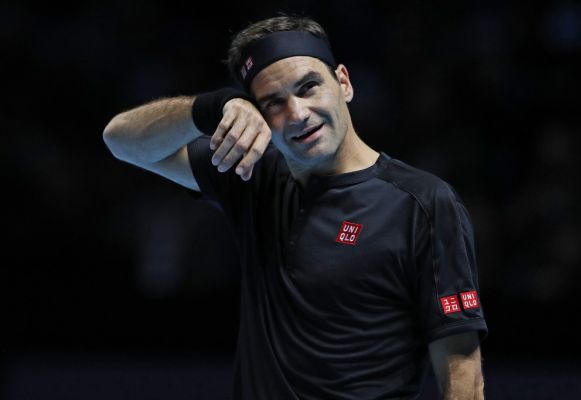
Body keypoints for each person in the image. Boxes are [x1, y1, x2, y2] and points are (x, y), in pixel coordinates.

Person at [103, 15, 488, 400]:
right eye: (274, 103)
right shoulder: (249, 174)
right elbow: (120, 140)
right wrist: (213, 106)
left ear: (344, 82)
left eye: (309, 87)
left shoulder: (423, 202)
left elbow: (461, 367)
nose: (297, 113)